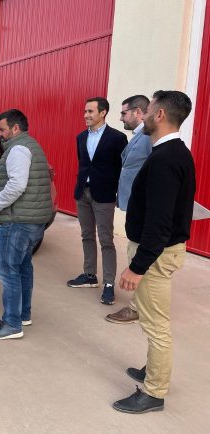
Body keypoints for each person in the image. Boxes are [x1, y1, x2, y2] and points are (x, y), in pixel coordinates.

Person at [113, 91, 196, 414]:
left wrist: (137, 266)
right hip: (161, 252)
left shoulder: (165, 159)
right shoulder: (174, 153)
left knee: (155, 324)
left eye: (147, 111)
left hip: (157, 255)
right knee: (152, 319)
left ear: (159, 115)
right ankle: (153, 371)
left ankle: (154, 392)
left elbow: (159, 223)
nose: (142, 116)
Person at [0, 109, 54, 340]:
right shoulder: (30, 145)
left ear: (15, 128)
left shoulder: (18, 149)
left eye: (2, 129)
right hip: (32, 221)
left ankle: (12, 324)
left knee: (7, 271)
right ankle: (23, 315)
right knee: (23, 268)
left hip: (16, 222)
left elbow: (16, 185)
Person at [67, 97, 128, 305]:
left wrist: (118, 193)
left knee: (106, 239)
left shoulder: (117, 138)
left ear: (103, 113)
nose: (86, 115)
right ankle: (90, 274)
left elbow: (121, 168)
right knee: (86, 235)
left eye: (90, 111)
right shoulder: (80, 137)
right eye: (85, 111)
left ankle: (109, 284)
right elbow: (83, 163)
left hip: (104, 195)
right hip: (82, 192)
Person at [106, 95, 152, 324]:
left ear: (137, 112)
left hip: (142, 207)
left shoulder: (149, 137)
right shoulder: (138, 136)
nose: (121, 117)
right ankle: (139, 303)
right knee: (136, 253)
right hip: (133, 204)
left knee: (140, 257)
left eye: (124, 113)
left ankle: (136, 307)